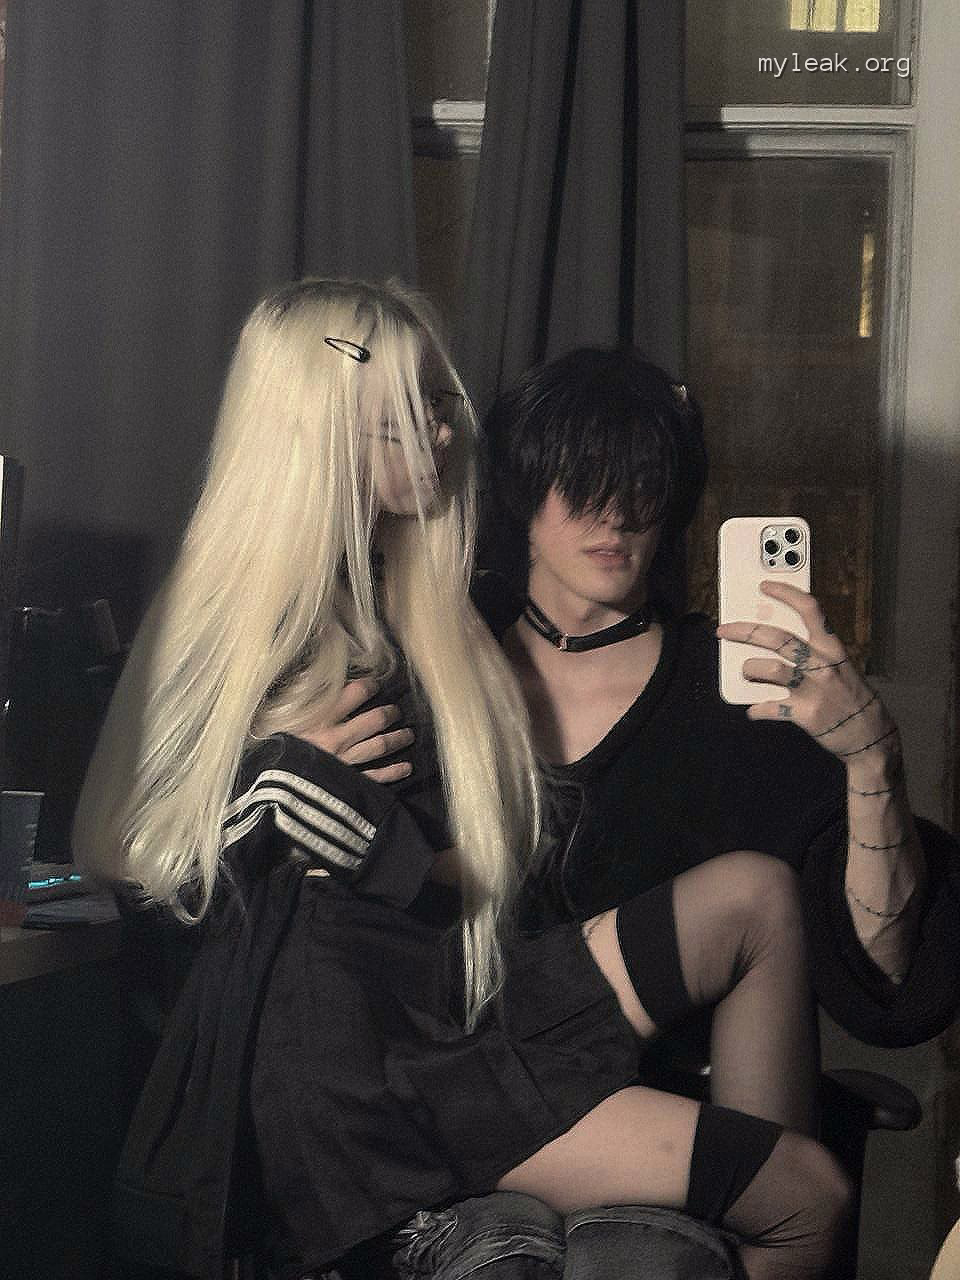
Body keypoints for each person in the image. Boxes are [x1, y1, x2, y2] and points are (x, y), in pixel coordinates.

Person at [74, 287, 852, 1280]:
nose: (444, 431)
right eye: (410, 410)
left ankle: (709, 1226)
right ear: (321, 427)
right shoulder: (253, 612)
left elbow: (443, 868)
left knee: (755, 896)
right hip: (370, 1076)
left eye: (443, 404)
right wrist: (282, 789)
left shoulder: (420, 610)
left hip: (454, 1007)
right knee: (809, 1194)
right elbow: (134, 846)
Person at [323, 345, 960, 1278]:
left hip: (685, 1153)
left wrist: (873, 761)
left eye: (642, 485)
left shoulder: (744, 703)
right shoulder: (431, 670)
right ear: (523, 490)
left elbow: (889, 984)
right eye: (584, 480)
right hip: (468, 1118)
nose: (616, 513)